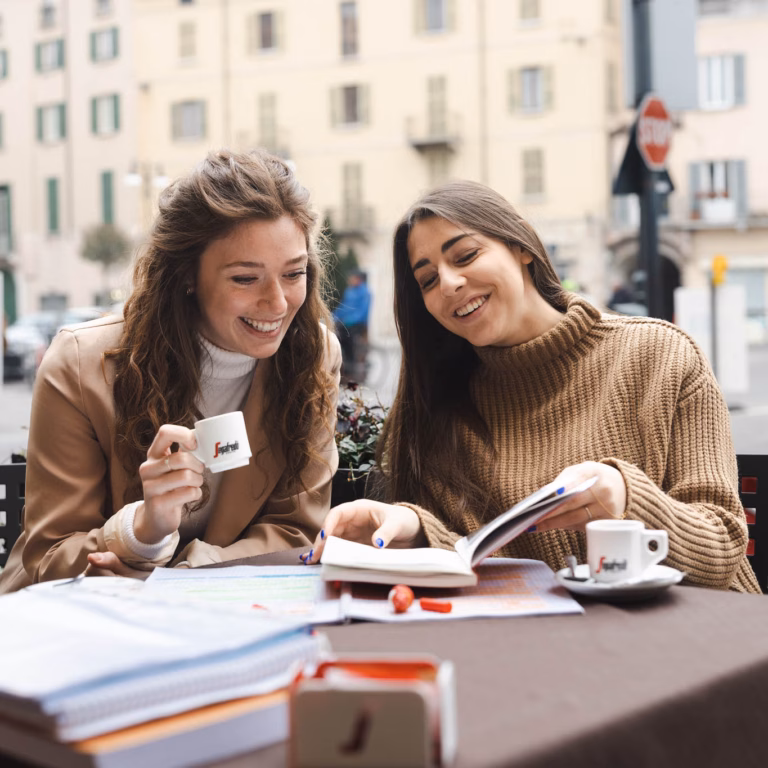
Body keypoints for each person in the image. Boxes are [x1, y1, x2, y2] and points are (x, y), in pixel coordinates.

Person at [305, 179, 759, 594]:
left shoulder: (660, 355)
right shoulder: (438, 398)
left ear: (521, 246)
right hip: (547, 652)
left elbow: (722, 548)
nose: (449, 283)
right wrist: (412, 526)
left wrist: (625, 497)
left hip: (700, 646)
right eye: (427, 279)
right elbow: (480, 558)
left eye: (465, 255)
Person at [0, 149, 340, 593]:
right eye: (245, 278)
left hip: (225, 612)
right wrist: (144, 530)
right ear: (186, 276)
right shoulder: (79, 365)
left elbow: (294, 530)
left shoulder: (312, 355)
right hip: (78, 623)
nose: (277, 304)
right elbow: (50, 554)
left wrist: (178, 577)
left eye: (294, 273)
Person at [332, 270, 371, 379]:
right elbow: (344, 307)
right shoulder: (349, 291)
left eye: (352, 278)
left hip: (358, 323)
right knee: (337, 335)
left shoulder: (365, 292)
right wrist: (334, 315)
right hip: (347, 322)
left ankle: (351, 364)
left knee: (347, 338)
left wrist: (350, 320)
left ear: (358, 279)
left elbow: (363, 311)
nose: (350, 280)